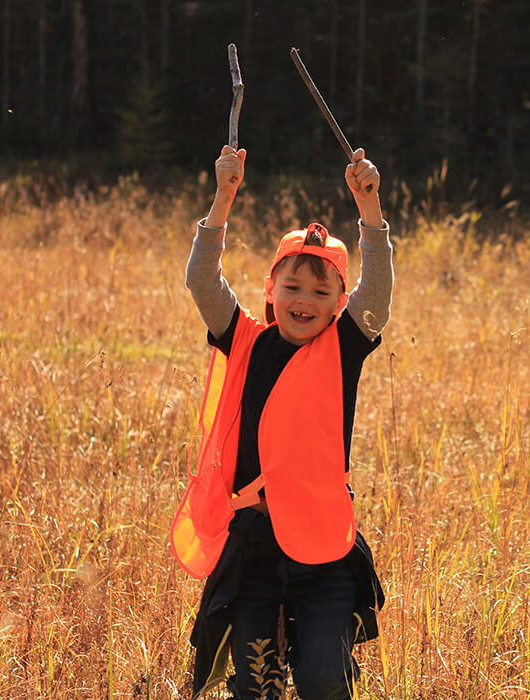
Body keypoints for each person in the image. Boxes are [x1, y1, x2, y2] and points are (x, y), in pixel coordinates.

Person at [171, 143, 393, 699]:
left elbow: (379, 296)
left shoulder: (343, 346)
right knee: (256, 686)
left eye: (322, 291)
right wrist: (223, 198)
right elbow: (202, 279)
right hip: (253, 549)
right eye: (291, 286)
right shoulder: (244, 339)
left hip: (323, 546)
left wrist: (371, 214)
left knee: (323, 680)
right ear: (270, 291)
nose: (304, 300)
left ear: (340, 301)